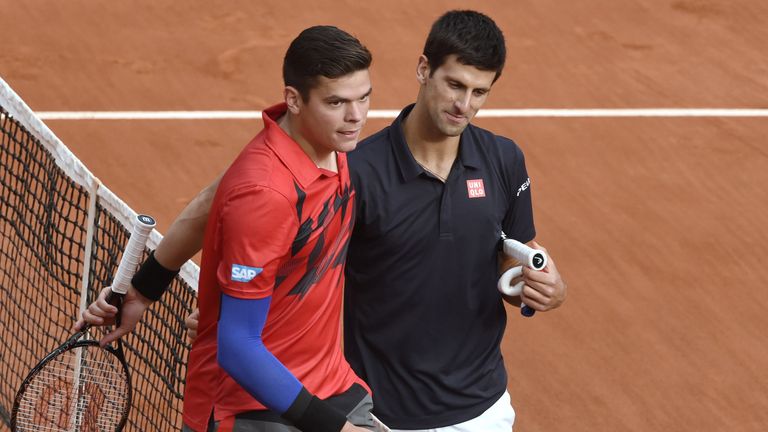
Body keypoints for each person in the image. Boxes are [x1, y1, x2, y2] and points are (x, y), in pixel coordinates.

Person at [81, 10, 567, 432]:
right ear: (423, 70)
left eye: (480, 91)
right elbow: (231, 218)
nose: (465, 105)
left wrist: (536, 287)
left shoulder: (486, 160)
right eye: (455, 85)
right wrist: (185, 302)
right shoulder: (320, 176)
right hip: (323, 408)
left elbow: (510, 250)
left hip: (420, 396)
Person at [77, 25, 376, 432]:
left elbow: (210, 200)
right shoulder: (266, 194)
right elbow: (237, 348)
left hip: (329, 385)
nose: (356, 116)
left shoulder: (325, 144)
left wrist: (145, 286)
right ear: (294, 100)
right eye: (337, 102)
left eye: (363, 98)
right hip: (255, 411)